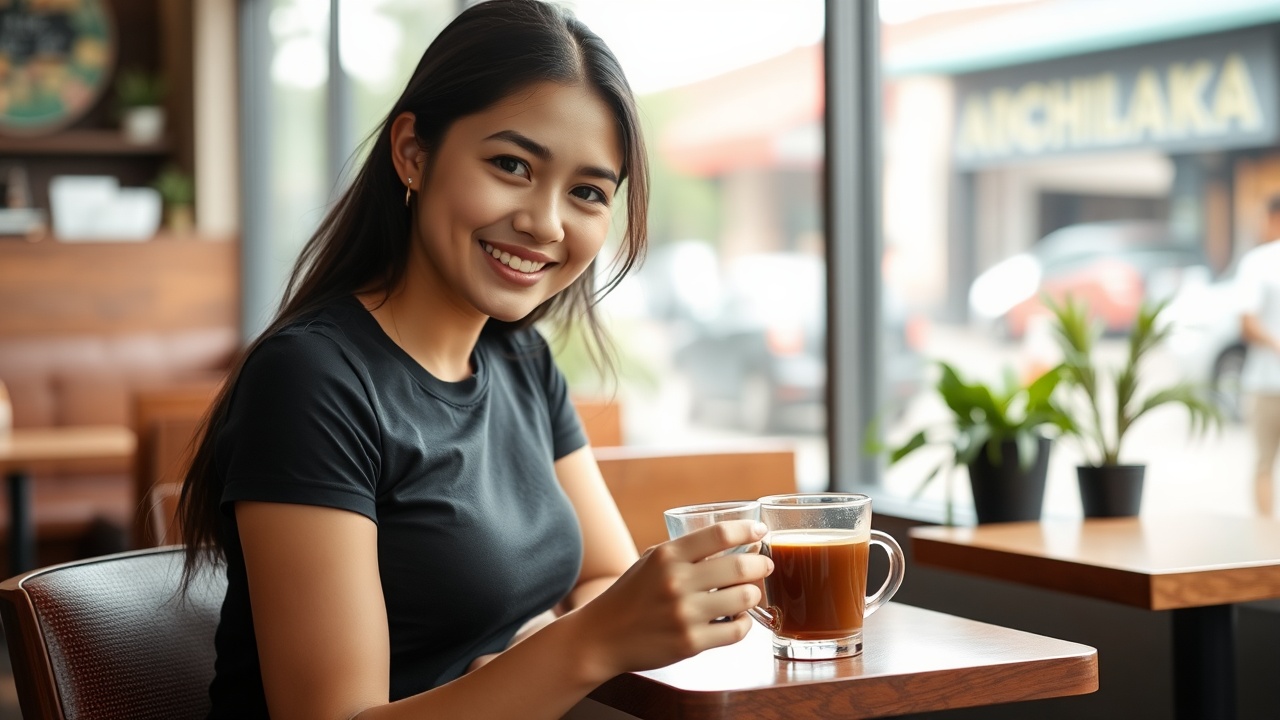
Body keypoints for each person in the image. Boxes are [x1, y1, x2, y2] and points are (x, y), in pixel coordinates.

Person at [177, 2, 773, 718]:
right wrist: (580, 648)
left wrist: (542, 652)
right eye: (511, 165)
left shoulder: (521, 359)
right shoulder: (312, 380)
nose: (545, 223)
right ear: (413, 154)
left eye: (587, 192)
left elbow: (605, 578)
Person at [1239, 194, 1280, 516]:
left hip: (1266, 382)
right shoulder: (1258, 262)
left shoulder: (1257, 261)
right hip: (1266, 381)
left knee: (1263, 463)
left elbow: (1247, 324)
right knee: (1263, 463)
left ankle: (1267, 545)